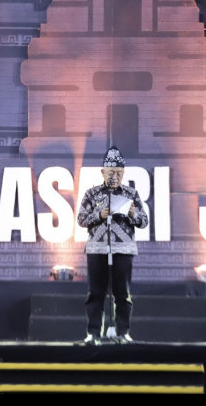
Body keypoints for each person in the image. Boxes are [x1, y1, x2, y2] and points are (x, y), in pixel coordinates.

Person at [77, 146, 149, 345]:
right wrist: (99, 215)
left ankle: (123, 332)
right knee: (95, 293)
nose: (114, 176)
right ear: (103, 172)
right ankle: (93, 333)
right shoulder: (92, 194)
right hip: (97, 248)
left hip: (123, 249)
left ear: (123, 173)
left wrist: (133, 214)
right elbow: (81, 219)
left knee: (122, 294)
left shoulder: (131, 194)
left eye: (118, 172)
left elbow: (144, 221)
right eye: (111, 172)